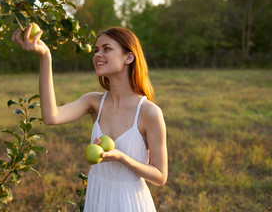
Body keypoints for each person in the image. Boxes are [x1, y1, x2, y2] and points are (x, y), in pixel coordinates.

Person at [12, 24, 168, 212]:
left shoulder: (149, 112)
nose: (97, 55)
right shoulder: (93, 102)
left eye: (106, 49)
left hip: (130, 203)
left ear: (129, 57)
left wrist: (121, 157)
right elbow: (51, 117)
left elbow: (160, 176)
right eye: (96, 50)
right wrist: (45, 56)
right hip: (98, 199)